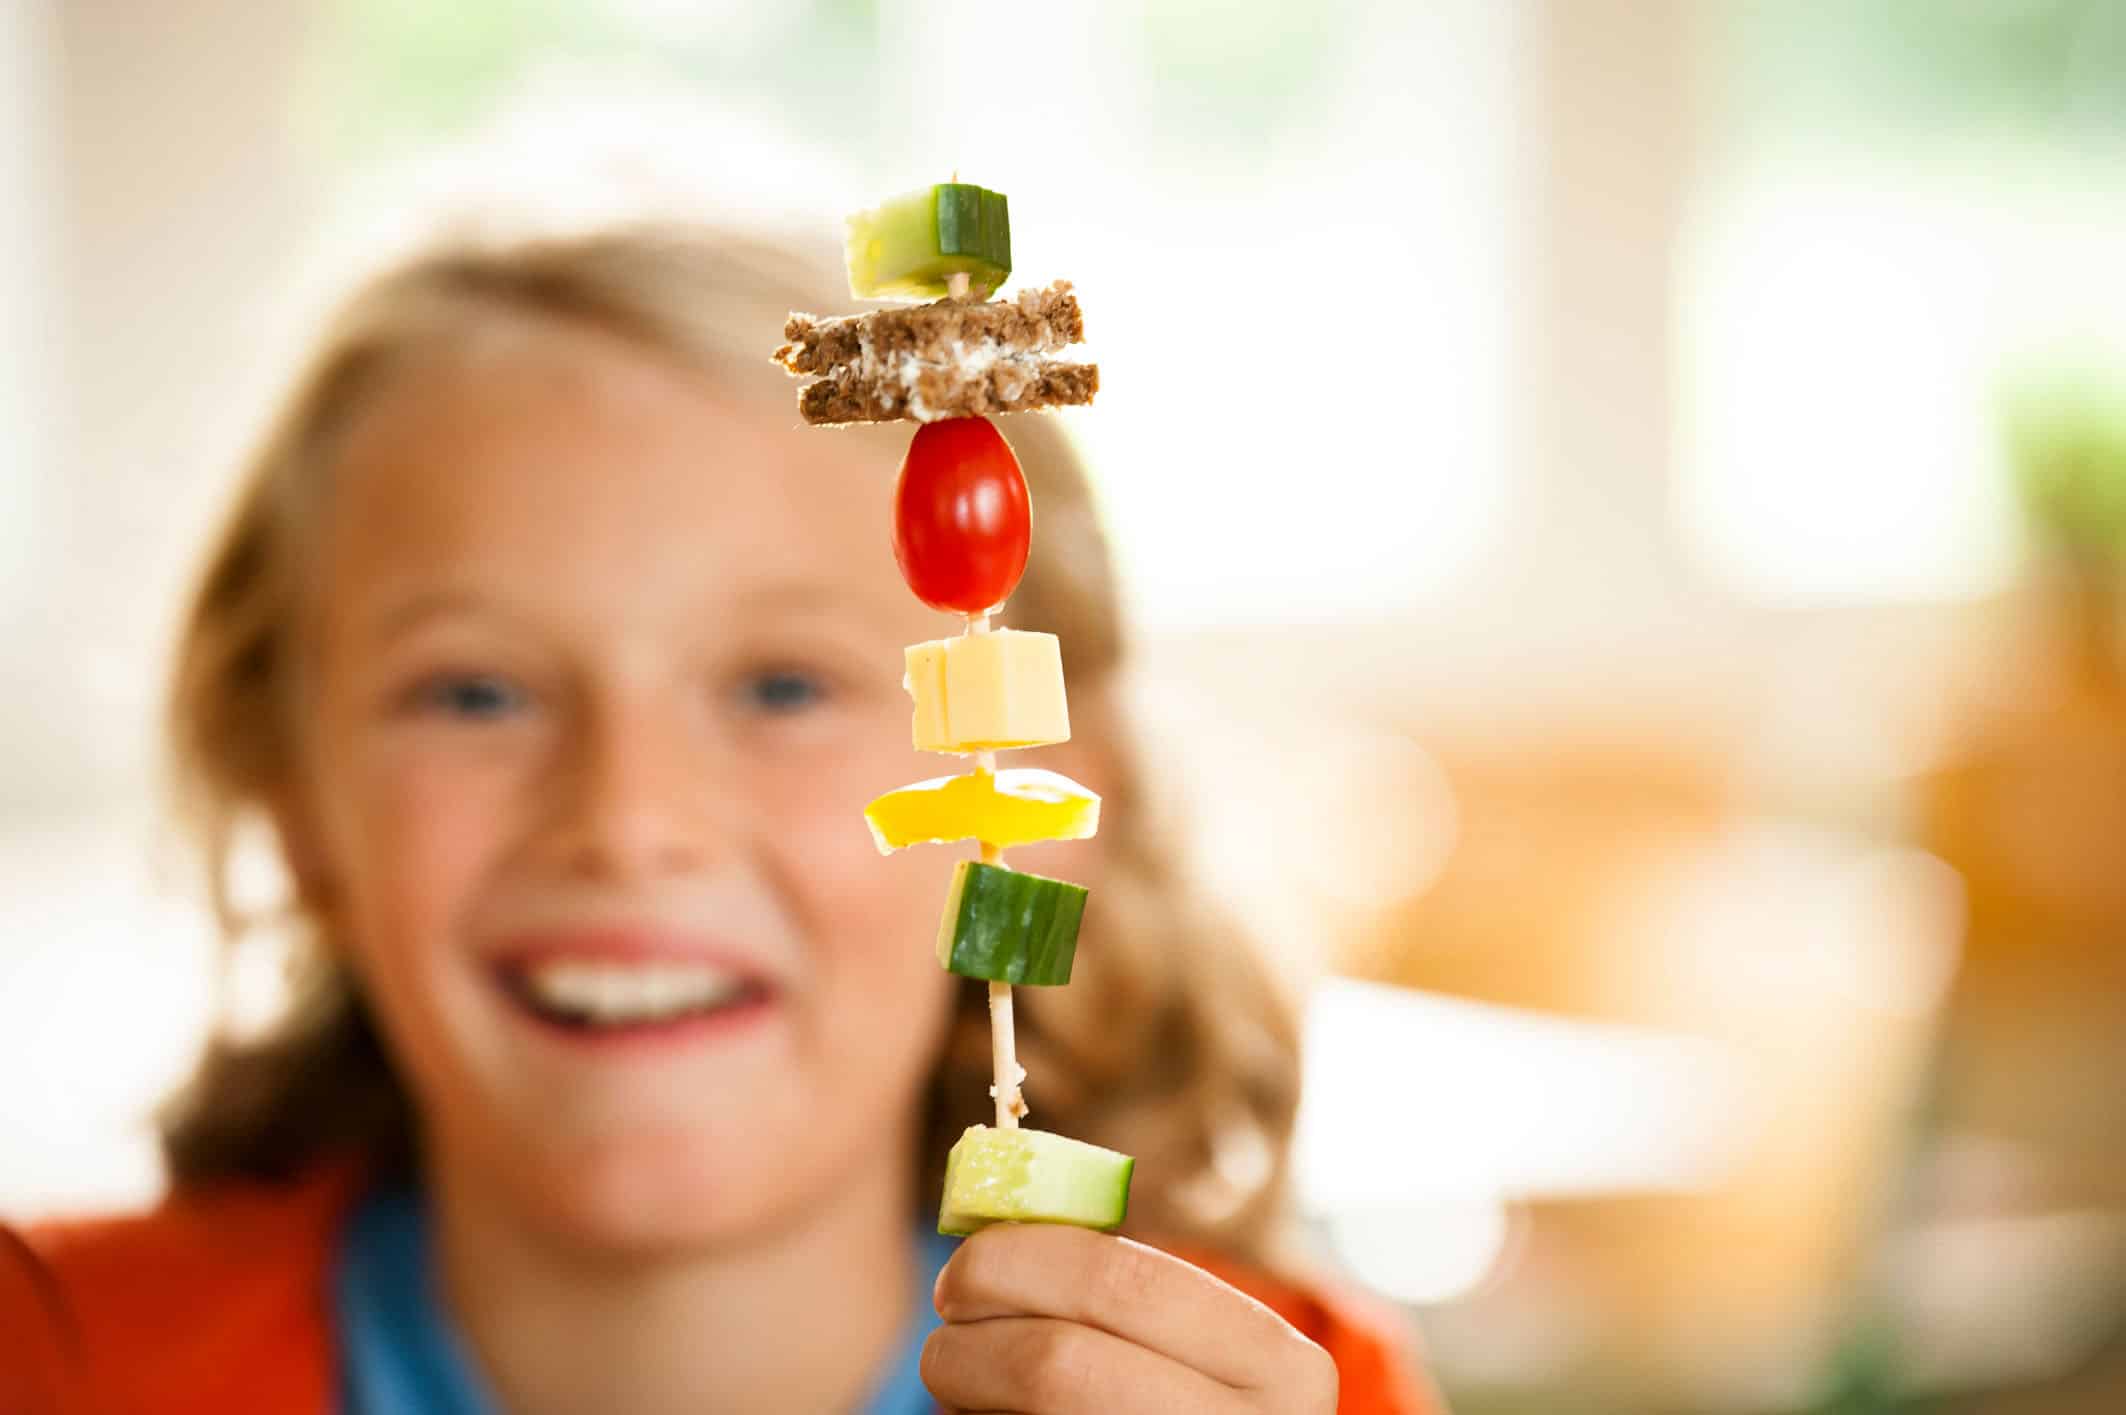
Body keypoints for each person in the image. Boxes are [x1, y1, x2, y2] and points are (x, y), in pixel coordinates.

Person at [16, 199, 1437, 1413]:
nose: (628, 820)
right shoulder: (52, 1359)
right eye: (475, 696)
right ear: (297, 802)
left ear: (1042, 796)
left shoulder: (1286, 1390)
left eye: (780, 688)